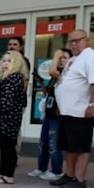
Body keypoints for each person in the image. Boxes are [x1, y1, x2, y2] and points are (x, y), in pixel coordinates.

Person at [51, 29, 94, 188]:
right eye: (71, 41)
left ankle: (80, 179)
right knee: (69, 146)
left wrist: (92, 105)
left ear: (87, 40)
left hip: (81, 112)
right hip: (68, 111)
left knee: (81, 147)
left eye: (78, 40)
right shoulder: (74, 59)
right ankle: (69, 175)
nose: (74, 44)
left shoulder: (93, 58)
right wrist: (61, 106)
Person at [0, 36, 29, 165]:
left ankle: (11, 160)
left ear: (21, 47)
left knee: (11, 136)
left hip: (12, 106)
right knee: (0, 135)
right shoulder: (6, 70)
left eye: (15, 44)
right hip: (3, 105)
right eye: (9, 44)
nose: (11, 46)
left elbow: (23, 85)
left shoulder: (21, 65)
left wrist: (12, 99)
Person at [27, 48, 70, 181]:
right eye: (59, 57)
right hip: (49, 113)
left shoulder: (67, 74)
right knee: (43, 143)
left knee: (54, 144)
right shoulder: (54, 76)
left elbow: (53, 71)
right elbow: (48, 93)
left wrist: (56, 57)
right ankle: (41, 167)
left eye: (64, 57)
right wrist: (40, 82)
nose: (61, 60)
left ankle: (57, 170)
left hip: (58, 116)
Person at [0, 51, 26, 184]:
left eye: (9, 61)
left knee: (8, 147)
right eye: (4, 61)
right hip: (2, 119)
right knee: (3, 146)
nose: (5, 63)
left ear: (17, 63)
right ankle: (1, 172)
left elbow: (8, 99)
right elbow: (4, 94)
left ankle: (8, 175)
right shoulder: (6, 78)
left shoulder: (15, 77)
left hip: (8, 118)